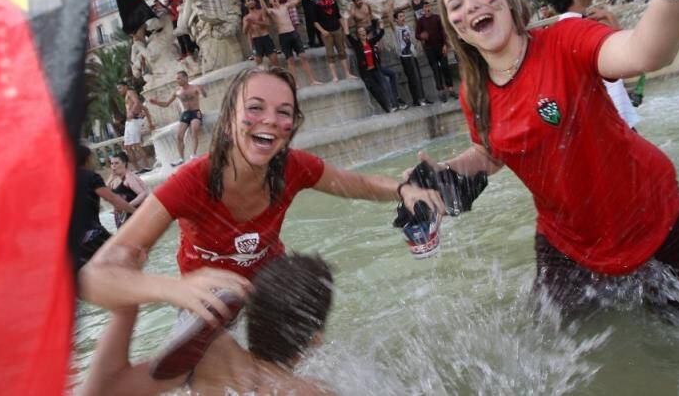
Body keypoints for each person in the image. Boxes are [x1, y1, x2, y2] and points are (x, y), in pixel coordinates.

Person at [434, 0, 679, 314]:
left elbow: (646, 52)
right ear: (456, 29)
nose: (471, 6)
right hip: (568, 245)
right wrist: (444, 174)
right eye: (456, 6)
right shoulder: (474, 91)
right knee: (555, 347)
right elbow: (491, 151)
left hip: (656, 220)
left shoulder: (565, 39)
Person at [79, 67, 443, 374]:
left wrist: (403, 190)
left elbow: (359, 184)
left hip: (273, 291)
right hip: (207, 304)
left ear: (292, 125)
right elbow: (95, 277)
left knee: (305, 375)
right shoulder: (191, 181)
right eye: (255, 107)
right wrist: (173, 289)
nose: (271, 119)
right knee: (212, 374)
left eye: (284, 112)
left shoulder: (293, 167)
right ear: (227, 120)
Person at [79, 253, 336, 396]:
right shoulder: (312, 392)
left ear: (248, 315)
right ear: (315, 338)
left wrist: (126, 308)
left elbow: (101, 390)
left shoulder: (209, 355)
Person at [545, 0, 640, 129]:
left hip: (608, 120)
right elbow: (629, 60)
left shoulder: (562, 31)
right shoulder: (582, 28)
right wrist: (610, 18)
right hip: (613, 122)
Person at [69, 146, 137, 270]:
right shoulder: (90, 177)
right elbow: (112, 198)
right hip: (92, 235)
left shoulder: (65, 179)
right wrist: (135, 212)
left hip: (72, 242)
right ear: (88, 159)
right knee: (127, 260)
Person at [258, 0, 321, 87]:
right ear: (269, 1)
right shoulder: (271, 11)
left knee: (303, 57)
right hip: (283, 36)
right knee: (290, 61)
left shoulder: (285, 6)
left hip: (293, 33)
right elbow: (264, 10)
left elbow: (297, 0)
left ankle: (312, 80)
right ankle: (294, 84)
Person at [149, 70, 208, 166]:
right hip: (185, 114)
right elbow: (166, 104)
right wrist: (156, 102)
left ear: (185, 78)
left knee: (194, 129)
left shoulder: (195, 87)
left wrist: (202, 90)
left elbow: (205, 96)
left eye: (179, 78)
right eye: (177, 79)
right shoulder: (177, 92)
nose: (177, 80)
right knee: (179, 136)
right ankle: (181, 158)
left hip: (195, 112)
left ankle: (193, 154)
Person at [346, 26, 398, 113]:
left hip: (375, 70)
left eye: (363, 30)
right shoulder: (357, 44)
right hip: (366, 73)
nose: (362, 32)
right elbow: (348, 35)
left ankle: (394, 105)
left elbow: (380, 35)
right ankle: (387, 108)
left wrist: (381, 27)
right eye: (360, 31)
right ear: (358, 35)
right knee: (377, 92)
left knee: (385, 86)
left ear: (365, 33)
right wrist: (345, 21)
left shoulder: (370, 42)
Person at [313, 0, 356, 83]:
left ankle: (347, 74)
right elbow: (315, 21)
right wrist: (323, 31)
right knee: (330, 54)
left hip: (337, 29)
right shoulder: (316, 5)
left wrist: (343, 28)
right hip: (326, 32)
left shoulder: (333, 2)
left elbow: (338, 17)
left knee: (342, 52)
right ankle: (334, 77)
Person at [415, 1, 456, 103]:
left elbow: (443, 32)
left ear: (430, 7)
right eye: (425, 7)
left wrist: (445, 45)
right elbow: (417, 35)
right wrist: (421, 36)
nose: (427, 8)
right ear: (422, 9)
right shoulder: (420, 21)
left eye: (428, 6)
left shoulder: (437, 18)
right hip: (429, 49)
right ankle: (441, 91)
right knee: (435, 70)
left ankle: (451, 89)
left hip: (440, 47)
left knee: (445, 67)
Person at [394, 10, 430, 106]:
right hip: (405, 57)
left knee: (418, 76)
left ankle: (422, 98)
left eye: (403, 16)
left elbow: (409, 40)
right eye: (400, 16)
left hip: (412, 55)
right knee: (412, 78)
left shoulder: (406, 27)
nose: (403, 18)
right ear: (396, 20)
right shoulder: (397, 29)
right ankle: (417, 100)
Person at [107, 152, 150, 228]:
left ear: (124, 164)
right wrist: (110, 179)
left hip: (133, 214)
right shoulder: (116, 179)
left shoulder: (129, 177)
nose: (113, 166)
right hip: (123, 215)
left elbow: (142, 194)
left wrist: (127, 206)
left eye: (116, 163)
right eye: (112, 163)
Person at [117, 80, 152, 172]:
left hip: (134, 121)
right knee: (127, 147)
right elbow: (142, 107)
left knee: (136, 145)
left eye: (120, 88)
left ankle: (147, 166)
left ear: (125, 86)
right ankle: (138, 169)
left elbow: (137, 102)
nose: (119, 90)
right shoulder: (126, 96)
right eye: (118, 89)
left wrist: (132, 112)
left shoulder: (130, 92)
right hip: (129, 122)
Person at [242, 0, 278, 68]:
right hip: (256, 41)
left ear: (255, 2)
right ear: (245, 4)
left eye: (252, 0)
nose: (251, 2)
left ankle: (278, 78)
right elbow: (244, 32)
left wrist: (255, 22)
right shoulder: (245, 18)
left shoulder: (261, 12)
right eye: (248, 1)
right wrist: (248, 24)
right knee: (259, 66)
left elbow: (268, 23)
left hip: (266, 38)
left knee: (275, 62)